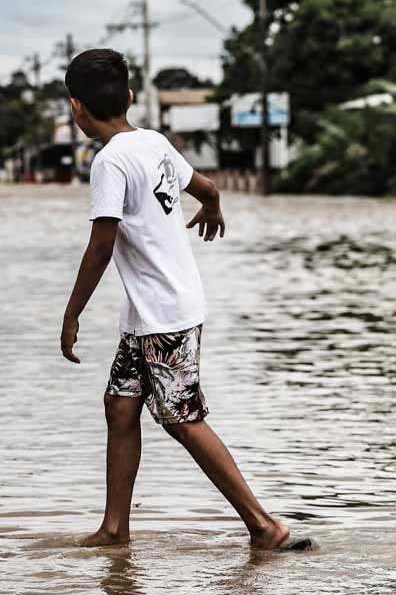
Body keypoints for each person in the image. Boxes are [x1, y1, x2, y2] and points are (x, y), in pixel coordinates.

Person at [60, 49, 309, 551]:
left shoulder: (109, 162)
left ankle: (265, 527)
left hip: (164, 314)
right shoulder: (154, 142)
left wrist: (72, 314)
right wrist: (212, 206)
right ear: (131, 97)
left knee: (182, 418)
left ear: (76, 108)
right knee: (120, 407)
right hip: (150, 313)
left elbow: (101, 246)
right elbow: (208, 187)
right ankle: (114, 529)